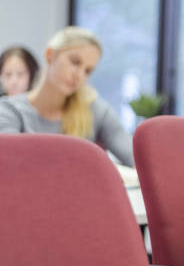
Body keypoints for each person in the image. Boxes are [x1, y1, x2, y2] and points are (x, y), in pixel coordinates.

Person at [0, 26, 134, 166]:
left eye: (87, 71)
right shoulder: (9, 110)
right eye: (75, 62)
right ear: (50, 55)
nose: (79, 75)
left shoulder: (96, 111)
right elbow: (8, 164)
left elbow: (135, 156)